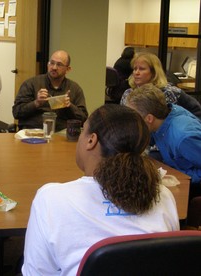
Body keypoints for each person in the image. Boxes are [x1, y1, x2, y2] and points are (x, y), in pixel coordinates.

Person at [22, 104, 179, 276]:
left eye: (83, 131)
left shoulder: (51, 199)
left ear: (91, 140)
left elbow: (37, 272)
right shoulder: (163, 195)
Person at [126, 83, 201, 199]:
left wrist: (180, 175)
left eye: (134, 117)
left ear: (149, 118)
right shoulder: (162, 119)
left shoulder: (184, 138)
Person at [12, 50, 88, 131]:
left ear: (68, 69)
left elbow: (83, 118)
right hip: (32, 133)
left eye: (59, 64)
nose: (54, 67)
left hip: (62, 135)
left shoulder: (74, 89)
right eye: (52, 63)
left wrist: (69, 106)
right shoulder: (31, 84)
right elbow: (16, 113)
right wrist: (36, 103)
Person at [120, 52, 201, 119]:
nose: (136, 73)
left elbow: (196, 110)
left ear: (154, 72)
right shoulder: (128, 93)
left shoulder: (169, 92)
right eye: (135, 69)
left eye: (141, 69)